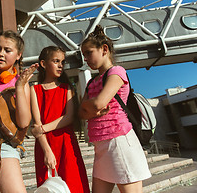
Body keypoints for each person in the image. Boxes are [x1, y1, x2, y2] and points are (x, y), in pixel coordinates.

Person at [79, 25, 151, 193]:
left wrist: (91, 106)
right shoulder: (91, 82)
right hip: (101, 145)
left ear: (104, 49)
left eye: (89, 53)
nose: (85, 59)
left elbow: (98, 104)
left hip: (119, 142)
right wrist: (90, 106)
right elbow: (81, 113)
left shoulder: (117, 71)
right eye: (84, 55)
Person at [0, 30, 37, 193]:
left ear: (18, 55)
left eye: (7, 50)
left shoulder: (20, 82)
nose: (1, 54)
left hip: (3, 143)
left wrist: (19, 87)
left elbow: (24, 122)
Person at [30, 46, 90, 193]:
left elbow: (68, 117)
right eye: (56, 61)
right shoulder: (34, 89)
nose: (60, 65)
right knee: (49, 187)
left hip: (66, 144)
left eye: (62, 62)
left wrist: (43, 129)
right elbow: (36, 123)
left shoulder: (66, 88)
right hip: (45, 145)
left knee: (75, 184)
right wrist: (47, 150)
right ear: (43, 64)